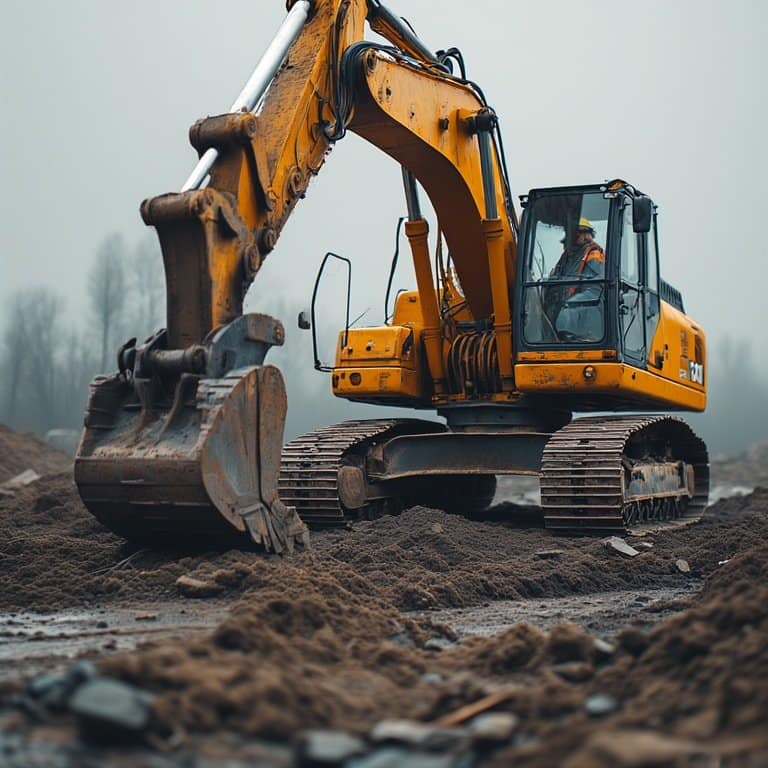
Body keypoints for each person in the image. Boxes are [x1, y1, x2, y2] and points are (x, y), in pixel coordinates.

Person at [544, 217, 605, 340]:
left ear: (586, 235)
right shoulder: (565, 259)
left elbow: (594, 292)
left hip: (583, 322)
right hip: (563, 319)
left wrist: (568, 307)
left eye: (576, 234)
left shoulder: (593, 256)